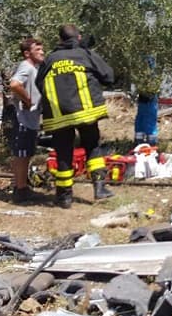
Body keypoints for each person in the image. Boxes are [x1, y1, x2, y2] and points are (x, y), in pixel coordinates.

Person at [35, 24, 116, 208]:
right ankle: (100, 188)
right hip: (86, 112)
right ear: (78, 37)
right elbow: (109, 76)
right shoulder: (85, 54)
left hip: (59, 115)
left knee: (63, 153)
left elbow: (39, 83)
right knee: (92, 147)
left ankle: (64, 197)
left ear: (60, 40)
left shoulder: (50, 59)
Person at [8, 37, 45, 204]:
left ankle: (20, 186)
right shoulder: (26, 67)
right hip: (23, 119)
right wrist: (27, 100)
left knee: (24, 154)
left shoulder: (33, 69)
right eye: (38, 50)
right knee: (22, 155)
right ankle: (20, 190)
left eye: (42, 49)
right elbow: (15, 84)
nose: (42, 52)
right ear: (27, 53)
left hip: (30, 120)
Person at [133, 55, 159, 146]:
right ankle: (151, 140)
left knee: (141, 115)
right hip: (150, 95)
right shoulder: (151, 66)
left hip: (142, 95)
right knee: (150, 116)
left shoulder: (140, 66)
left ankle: (138, 139)